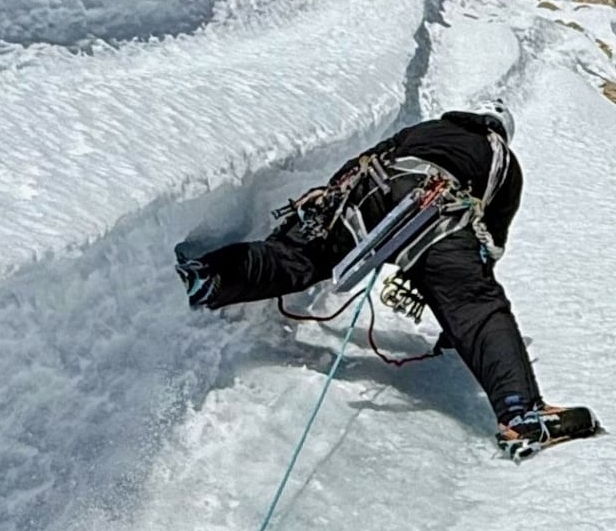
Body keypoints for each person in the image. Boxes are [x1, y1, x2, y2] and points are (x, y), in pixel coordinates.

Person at [174, 102, 594, 457]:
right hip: (436, 211)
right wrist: (456, 320)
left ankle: (208, 278)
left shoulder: (426, 128)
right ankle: (522, 414)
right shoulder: (501, 158)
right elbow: (489, 248)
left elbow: (360, 164)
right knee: (477, 306)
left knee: (298, 258)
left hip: (368, 192)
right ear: (502, 130)